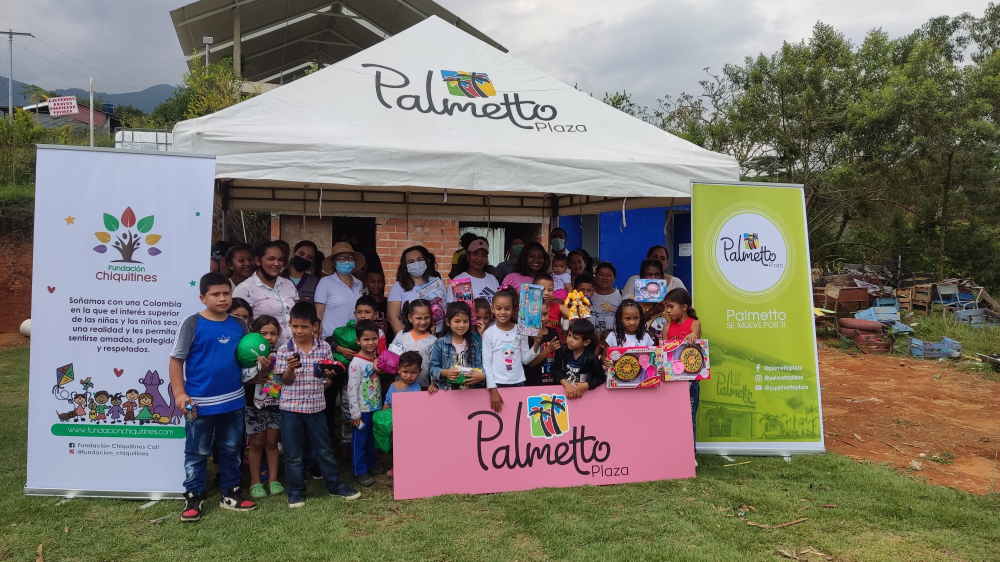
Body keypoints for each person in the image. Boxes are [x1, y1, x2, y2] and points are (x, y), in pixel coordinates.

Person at [169, 272, 257, 522]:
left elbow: (245, 361)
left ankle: (231, 493)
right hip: (199, 403)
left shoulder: (240, 324)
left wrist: (257, 367)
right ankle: (193, 496)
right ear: (202, 297)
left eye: (226, 293)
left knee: (231, 448)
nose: (222, 298)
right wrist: (179, 392)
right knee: (196, 451)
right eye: (215, 294)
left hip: (233, 400)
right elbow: (176, 360)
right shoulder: (192, 323)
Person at [274, 302, 361, 507]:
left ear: (314, 326)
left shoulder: (323, 347)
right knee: (293, 453)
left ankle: (335, 485)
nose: (299, 331)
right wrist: (290, 369)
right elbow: (284, 381)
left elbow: (326, 380)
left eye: (304, 327)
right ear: (290, 325)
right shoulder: (284, 350)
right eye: (295, 326)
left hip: (316, 408)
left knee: (324, 449)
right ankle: (295, 491)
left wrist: (329, 376)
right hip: (290, 409)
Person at [241, 315, 284, 499]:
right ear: (255, 334)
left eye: (273, 333)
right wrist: (257, 372)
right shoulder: (248, 355)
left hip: (276, 405)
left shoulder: (282, 353)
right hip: (254, 405)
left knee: (272, 442)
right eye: (264, 333)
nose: (269, 338)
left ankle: (273, 480)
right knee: (256, 443)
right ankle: (255, 481)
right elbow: (243, 378)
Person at [482, 287, 541, 413]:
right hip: (497, 384)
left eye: (507, 308)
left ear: (514, 309)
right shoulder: (489, 333)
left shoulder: (520, 331)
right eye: (498, 308)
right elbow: (486, 363)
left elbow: (525, 360)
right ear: (492, 309)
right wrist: (492, 389)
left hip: (518, 382)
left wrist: (536, 344)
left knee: (517, 416)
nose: (503, 312)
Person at [662, 288, 702, 454]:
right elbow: (664, 353)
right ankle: (673, 453)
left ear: (684, 307)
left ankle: (690, 454)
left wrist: (693, 337)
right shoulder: (666, 328)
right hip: (671, 381)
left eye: (671, 306)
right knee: (671, 419)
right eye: (666, 307)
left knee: (689, 419)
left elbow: (695, 335)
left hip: (690, 381)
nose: (668, 311)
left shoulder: (694, 323)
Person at [233, 242, 298, 344]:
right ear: (258, 261)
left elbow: (297, 315)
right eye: (271, 259)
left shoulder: (288, 284)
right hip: (262, 352)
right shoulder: (245, 289)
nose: (277, 263)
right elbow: (238, 327)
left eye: (280, 259)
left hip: (293, 349)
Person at [346, 319, 384, 487]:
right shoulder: (356, 364)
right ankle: (360, 470)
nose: (371, 343)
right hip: (361, 410)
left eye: (374, 338)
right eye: (366, 339)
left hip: (375, 407)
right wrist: (355, 413)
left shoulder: (376, 359)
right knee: (359, 441)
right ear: (358, 341)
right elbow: (351, 390)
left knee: (371, 439)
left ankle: (371, 464)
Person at [382, 351, 423, 484]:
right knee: (396, 448)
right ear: (399, 369)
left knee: (409, 449)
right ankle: (397, 468)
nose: (409, 376)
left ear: (420, 372)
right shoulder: (393, 386)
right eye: (405, 371)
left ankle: (406, 472)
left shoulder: (416, 389)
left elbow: (416, 410)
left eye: (413, 372)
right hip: (394, 425)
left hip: (409, 426)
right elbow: (387, 402)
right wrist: (385, 420)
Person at [387, 246, 447, 335]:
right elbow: (392, 317)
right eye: (411, 262)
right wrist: (404, 339)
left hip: (439, 335)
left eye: (419, 260)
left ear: (426, 261)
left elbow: (447, 307)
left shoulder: (437, 282)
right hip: (412, 337)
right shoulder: (398, 286)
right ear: (405, 266)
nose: (416, 263)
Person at [429, 302, 484, 392]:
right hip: (447, 392)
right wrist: (445, 372)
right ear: (448, 322)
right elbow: (432, 368)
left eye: (465, 321)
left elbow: (480, 367)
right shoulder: (440, 343)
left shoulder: (475, 345)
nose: (462, 325)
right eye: (457, 321)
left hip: (470, 393)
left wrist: (480, 376)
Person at [315, 242, 365, 340]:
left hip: (353, 340)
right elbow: (318, 314)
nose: (347, 261)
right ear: (333, 263)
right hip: (331, 339)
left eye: (350, 258)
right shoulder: (325, 282)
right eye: (341, 259)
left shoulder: (359, 283)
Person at [390, 299, 438, 389]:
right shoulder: (401, 336)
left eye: (426, 317)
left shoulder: (434, 341)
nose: (423, 322)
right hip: (400, 386)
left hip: (423, 386)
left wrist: (433, 383)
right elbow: (391, 357)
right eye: (418, 318)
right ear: (410, 318)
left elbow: (434, 365)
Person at [635, 258, 686, 341]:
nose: (653, 278)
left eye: (657, 274)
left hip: (668, 343)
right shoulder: (635, 299)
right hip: (643, 345)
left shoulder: (671, 296)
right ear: (642, 277)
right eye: (649, 274)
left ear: (662, 276)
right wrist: (652, 311)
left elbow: (681, 320)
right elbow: (632, 323)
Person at [525, 274, 562, 386]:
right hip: (534, 382)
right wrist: (548, 349)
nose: (542, 318)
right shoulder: (528, 335)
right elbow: (530, 364)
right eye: (538, 314)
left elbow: (557, 360)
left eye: (545, 314)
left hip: (552, 382)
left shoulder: (553, 333)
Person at [554, 320, 606, 399]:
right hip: (563, 392)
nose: (570, 340)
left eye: (575, 338)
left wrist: (587, 385)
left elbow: (601, 377)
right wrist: (566, 384)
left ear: (586, 342)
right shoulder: (563, 350)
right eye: (569, 335)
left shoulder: (591, 358)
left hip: (583, 396)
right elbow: (556, 368)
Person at [449, 238, 499, 303]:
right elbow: (453, 310)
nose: (480, 258)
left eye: (484, 255)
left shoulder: (493, 279)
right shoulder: (458, 281)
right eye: (475, 254)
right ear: (468, 256)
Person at [590, 262, 622, 334]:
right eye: (601, 275)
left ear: (614, 278)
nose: (604, 278)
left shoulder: (621, 295)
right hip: (592, 339)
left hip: (614, 338)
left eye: (608, 275)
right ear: (596, 277)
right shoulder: (588, 293)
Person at [367, 269, 393, 345]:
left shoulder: (390, 304)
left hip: (387, 345)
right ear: (366, 282)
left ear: (384, 283)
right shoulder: (363, 303)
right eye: (372, 281)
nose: (376, 285)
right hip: (367, 345)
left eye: (379, 281)